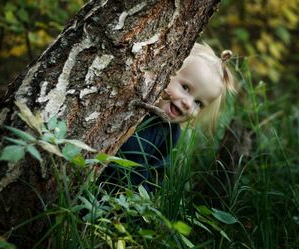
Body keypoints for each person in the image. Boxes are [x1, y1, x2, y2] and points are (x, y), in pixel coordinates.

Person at [101, 43, 236, 193]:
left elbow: (157, 171)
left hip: (125, 197)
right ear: (167, 71)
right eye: (185, 88)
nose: (187, 103)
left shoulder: (169, 132)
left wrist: (143, 198)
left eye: (198, 103)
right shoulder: (132, 100)